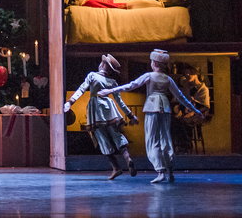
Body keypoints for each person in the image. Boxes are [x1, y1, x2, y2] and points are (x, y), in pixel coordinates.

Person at [99, 49, 202, 184]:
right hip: (165, 108)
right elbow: (180, 96)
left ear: (155, 63)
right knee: (165, 139)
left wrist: (111, 90)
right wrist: (195, 109)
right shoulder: (168, 79)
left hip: (152, 107)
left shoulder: (149, 76)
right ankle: (170, 171)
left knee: (152, 140)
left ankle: (160, 171)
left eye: (152, 62)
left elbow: (131, 85)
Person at [64, 53, 139, 179]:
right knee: (117, 135)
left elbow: (82, 89)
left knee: (102, 138)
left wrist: (70, 102)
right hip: (109, 109)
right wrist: (131, 115)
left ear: (102, 65)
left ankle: (116, 168)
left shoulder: (92, 75)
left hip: (96, 109)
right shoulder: (112, 82)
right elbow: (119, 101)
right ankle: (127, 158)